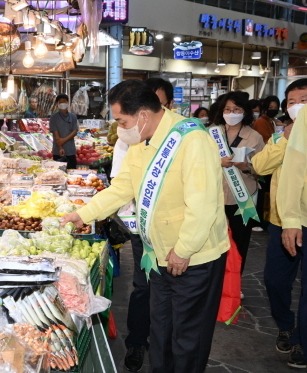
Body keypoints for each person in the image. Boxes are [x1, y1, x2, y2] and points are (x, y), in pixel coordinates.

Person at [61, 80, 229, 373]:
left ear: (142, 115)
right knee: (161, 330)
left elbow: (203, 203)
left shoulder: (191, 139)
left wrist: (184, 249)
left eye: (121, 121)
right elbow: (123, 186)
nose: (120, 128)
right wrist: (84, 214)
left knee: (188, 336)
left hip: (193, 256)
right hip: (158, 254)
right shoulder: (141, 142)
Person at [119, 77, 176, 372]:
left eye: (159, 104)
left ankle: (163, 347)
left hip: (175, 238)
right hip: (142, 228)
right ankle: (137, 342)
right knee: (143, 288)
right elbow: (121, 184)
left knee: (168, 296)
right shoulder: (132, 138)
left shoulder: (184, 137)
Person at [257, 78, 307, 370]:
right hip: (281, 221)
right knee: (276, 281)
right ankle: (285, 325)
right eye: (292, 101)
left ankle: (301, 341)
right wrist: (286, 140)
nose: (297, 106)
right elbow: (260, 166)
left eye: (303, 99)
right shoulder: (280, 136)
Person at [212, 92, 264, 276]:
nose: (231, 113)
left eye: (236, 109)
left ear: (245, 111)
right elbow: (198, 162)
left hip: (242, 199)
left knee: (240, 243)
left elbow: (262, 169)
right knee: (214, 244)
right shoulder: (211, 133)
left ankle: (235, 284)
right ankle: (215, 283)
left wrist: (246, 167)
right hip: (214, 197)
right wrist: (217, 162)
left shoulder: (255, 136)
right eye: (227, 109)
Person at [50, 94, 78, 169]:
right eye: (60, 102)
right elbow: (56, 134)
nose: (62, 103)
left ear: (68, 102)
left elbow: (75, 131)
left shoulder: (73, 116)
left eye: (64, 101)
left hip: (71, 150)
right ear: (57, 104)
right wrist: (60, 148)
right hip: (58, 151)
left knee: (72, 173)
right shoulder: (54, 117)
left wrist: (63, 140)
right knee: (58, 174)